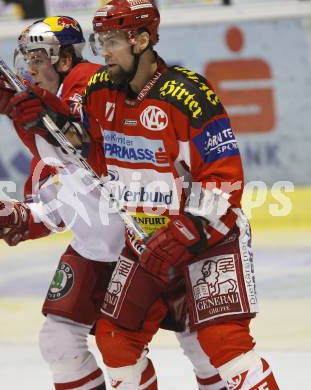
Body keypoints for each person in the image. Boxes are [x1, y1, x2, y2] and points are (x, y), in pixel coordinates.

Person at [81, 0, 279, 388]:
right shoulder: (100, 90)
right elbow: (91, 153)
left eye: (112, 40)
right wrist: (41, 118)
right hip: (146, 240)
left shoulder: (187, 95)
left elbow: (224, 178)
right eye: (99, 40)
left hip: (209, 238)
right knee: (115, 340)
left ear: (140, 40)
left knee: (224, 343)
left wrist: (187, 230)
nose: (103, 51)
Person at [0, 16, 125, 390]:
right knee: (59, 342)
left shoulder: (90, 82)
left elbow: (85, 151)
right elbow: (68, 199)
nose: (31, 70)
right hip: (96, 248)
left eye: (39, 59)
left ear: (64, 59)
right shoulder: (44, 105)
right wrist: (18, 218)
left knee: (128, 348)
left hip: (142, 244)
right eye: (27, 60)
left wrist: (24, 114)